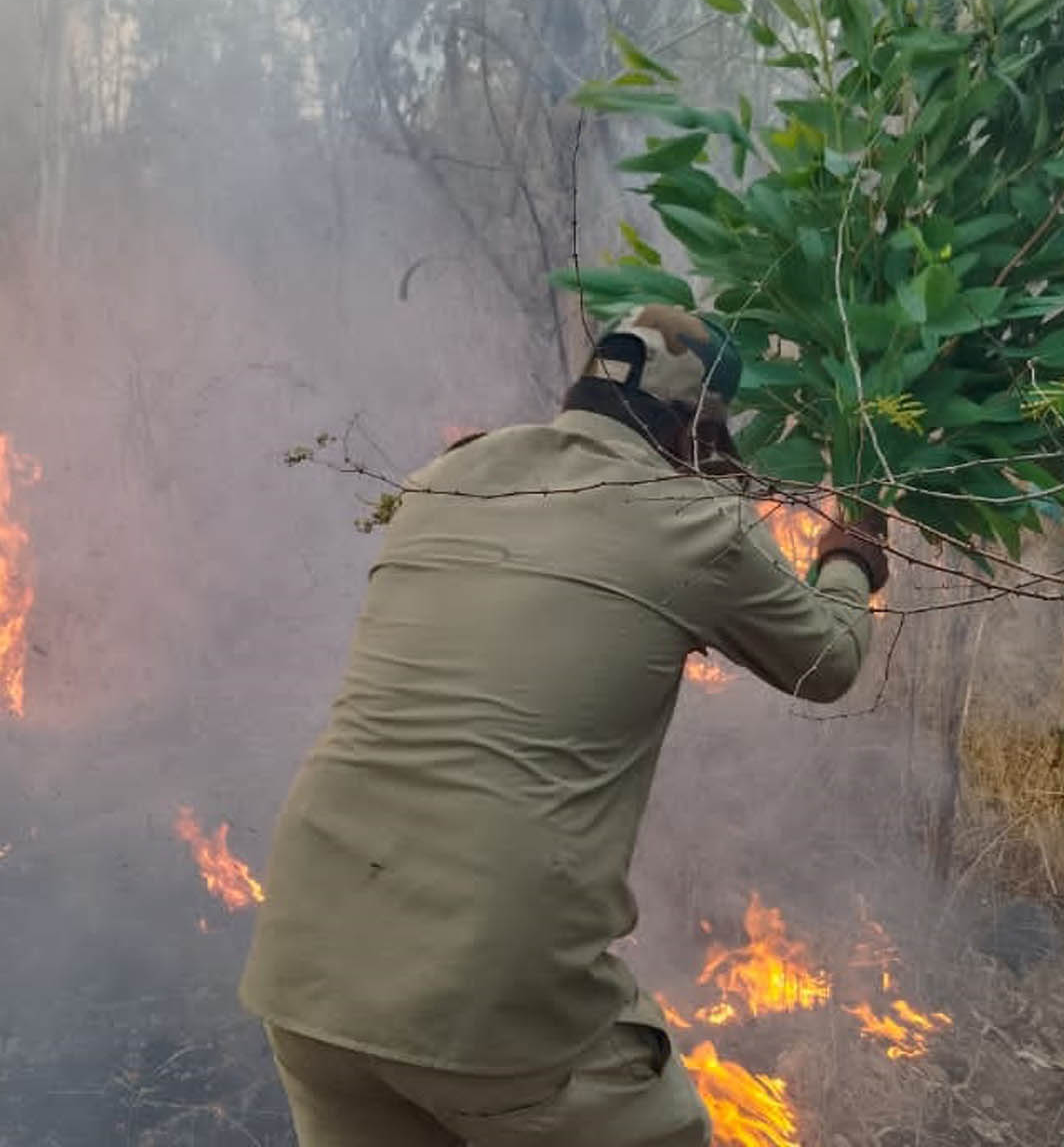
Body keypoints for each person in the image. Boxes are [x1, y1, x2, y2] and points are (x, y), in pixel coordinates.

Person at [239, 305, 887, 1147]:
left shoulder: (440, 479)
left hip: (308, 969)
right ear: (698, 428)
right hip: (486, 993)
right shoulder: (686, 520)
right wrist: (851, 557)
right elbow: (827, 661)